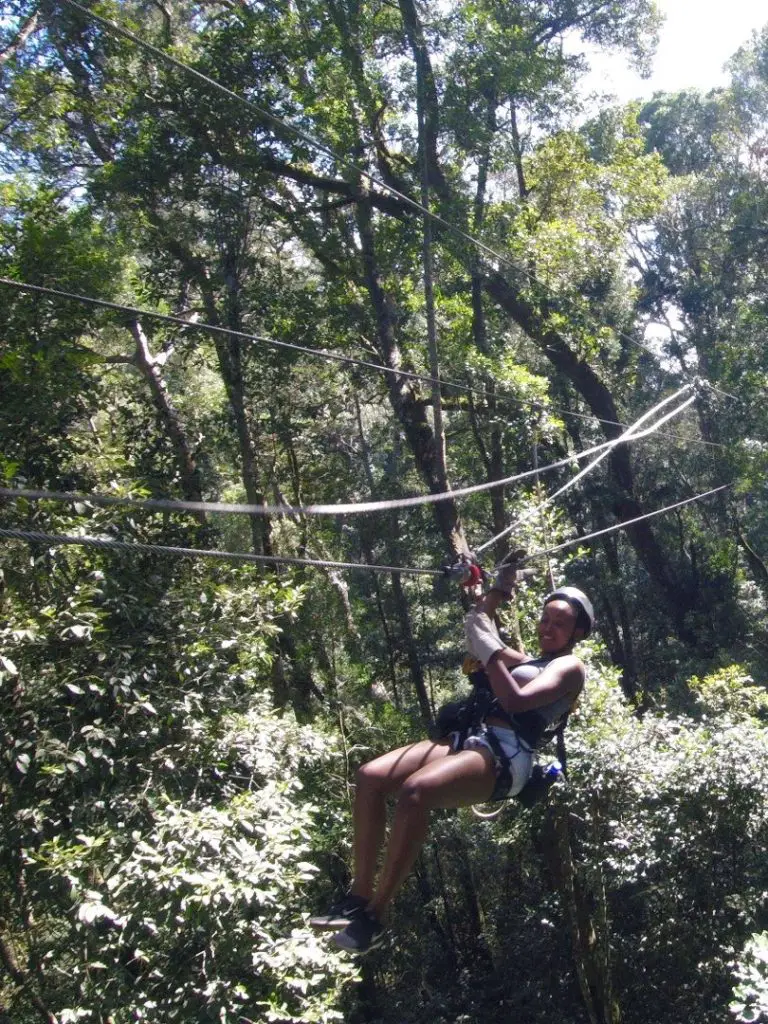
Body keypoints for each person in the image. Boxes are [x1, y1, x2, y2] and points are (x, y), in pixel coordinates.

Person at [310, 567, 594, 954]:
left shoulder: (569, 668)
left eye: (560, 624)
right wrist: (498, 589)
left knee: (415, 791)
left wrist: (490, 649)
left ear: (577, 633)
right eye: (545, 619)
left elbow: (513, 700)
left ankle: (375, 917)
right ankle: (357, 897)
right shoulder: (525, 659)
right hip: (469, 740)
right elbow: (478, 620)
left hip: (506, 756)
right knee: (370, 777)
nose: (548, 628)